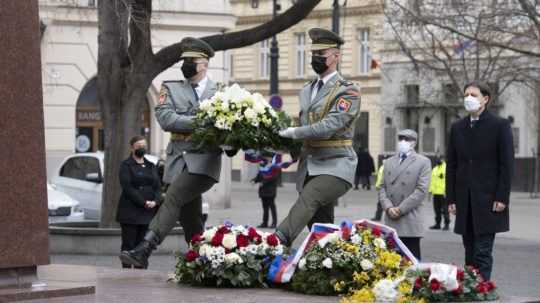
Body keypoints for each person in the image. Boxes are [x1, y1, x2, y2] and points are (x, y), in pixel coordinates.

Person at [120, 37, 228, 269]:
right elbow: (167, 119)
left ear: (205, 63)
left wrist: (193, 123)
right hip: (178, 161)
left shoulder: (221, 92)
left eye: (192, 61)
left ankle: (144, 249)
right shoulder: (170, 87)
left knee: (174, 197)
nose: (186, 65)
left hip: (205, 162)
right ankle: (203, 261)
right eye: (184, 61)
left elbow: (227, 125)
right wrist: (204, 121)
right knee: (191, 218)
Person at [276, 28, 360, 246]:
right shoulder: (307, 89)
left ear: (336, 56)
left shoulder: (348, 91)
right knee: (320, 225)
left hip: (336, 165)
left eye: (321, 54)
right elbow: (303, 125)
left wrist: (294, 132)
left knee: (309, 198)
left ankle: (276, 242)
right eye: (313, 54)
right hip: (310, 165)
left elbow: (328, 126)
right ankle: (327, 265)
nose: (316, 59)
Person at [446, 81, 514, 281]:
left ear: (485, 99)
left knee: (483, 252)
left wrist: (502, 197)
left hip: (489, 199)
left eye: (473, 95)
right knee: (469, 251)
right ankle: (470, 289)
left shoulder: (499, 125)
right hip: (464, 199)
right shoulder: (458, 127)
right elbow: (452, 164)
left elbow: (507, 164)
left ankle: (483, 291)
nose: (469, 98)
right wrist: (451, 198)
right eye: (466, 94)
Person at [378, 129, 431, 260]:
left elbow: (421, 190)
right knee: (390, 262)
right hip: (391, 218)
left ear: (414, 143)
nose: (403, 142)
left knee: (411, 262)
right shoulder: (389, 161)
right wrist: (388, 207)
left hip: (410, 218)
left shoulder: (423, 162)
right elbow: (382, 187)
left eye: (407, 139)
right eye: (401, 138)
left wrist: (400, 209)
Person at [116, 136, 161, 269]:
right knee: (129, 245)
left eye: (144, 145)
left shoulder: (151, 165)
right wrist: (143, 202)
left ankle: (141, 271)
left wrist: (156, 201)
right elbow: (128, 187)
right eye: (139, 145)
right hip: (130, 212)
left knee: (143, 246)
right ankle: (126, 272)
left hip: (148, 212)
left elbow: (158, 187)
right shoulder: (126, 165)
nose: (142, 147)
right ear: (132, 148)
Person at [252, 155, 280, 228]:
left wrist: (263, 182)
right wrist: (255, 180)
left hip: (270, 190)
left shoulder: (274, 167)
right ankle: (265, 222)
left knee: (272, 207)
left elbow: (274, 178)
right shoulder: (263, 165)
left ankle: (274, 223)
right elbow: (260, 175)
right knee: (265, 207)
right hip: (263, 190)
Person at [429, 156, 449, 230]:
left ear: (443, 160)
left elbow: (448, 181)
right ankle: (437, 224)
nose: (438, 160)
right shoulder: (435, 169)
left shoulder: (446, 168)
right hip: (436, 193)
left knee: (445, 209)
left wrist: (447, 191)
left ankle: (446, 224)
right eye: (438, 159)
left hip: (443, 193)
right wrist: (430, 191)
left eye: (440, 159)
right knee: (436, 210)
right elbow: (432, 181)